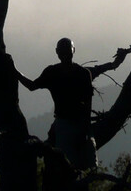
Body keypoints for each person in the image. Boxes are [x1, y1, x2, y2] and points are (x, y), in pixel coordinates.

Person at [19, 37, 97, 170]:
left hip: (67, 124)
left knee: (69, 165)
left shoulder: (60, 72)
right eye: (63, 50)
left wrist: (14, 71)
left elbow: (31, 86)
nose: (65, 53)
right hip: (67, 124)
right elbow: (88, 103)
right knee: (76, 166)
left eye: (67, 50)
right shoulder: (78, 73)